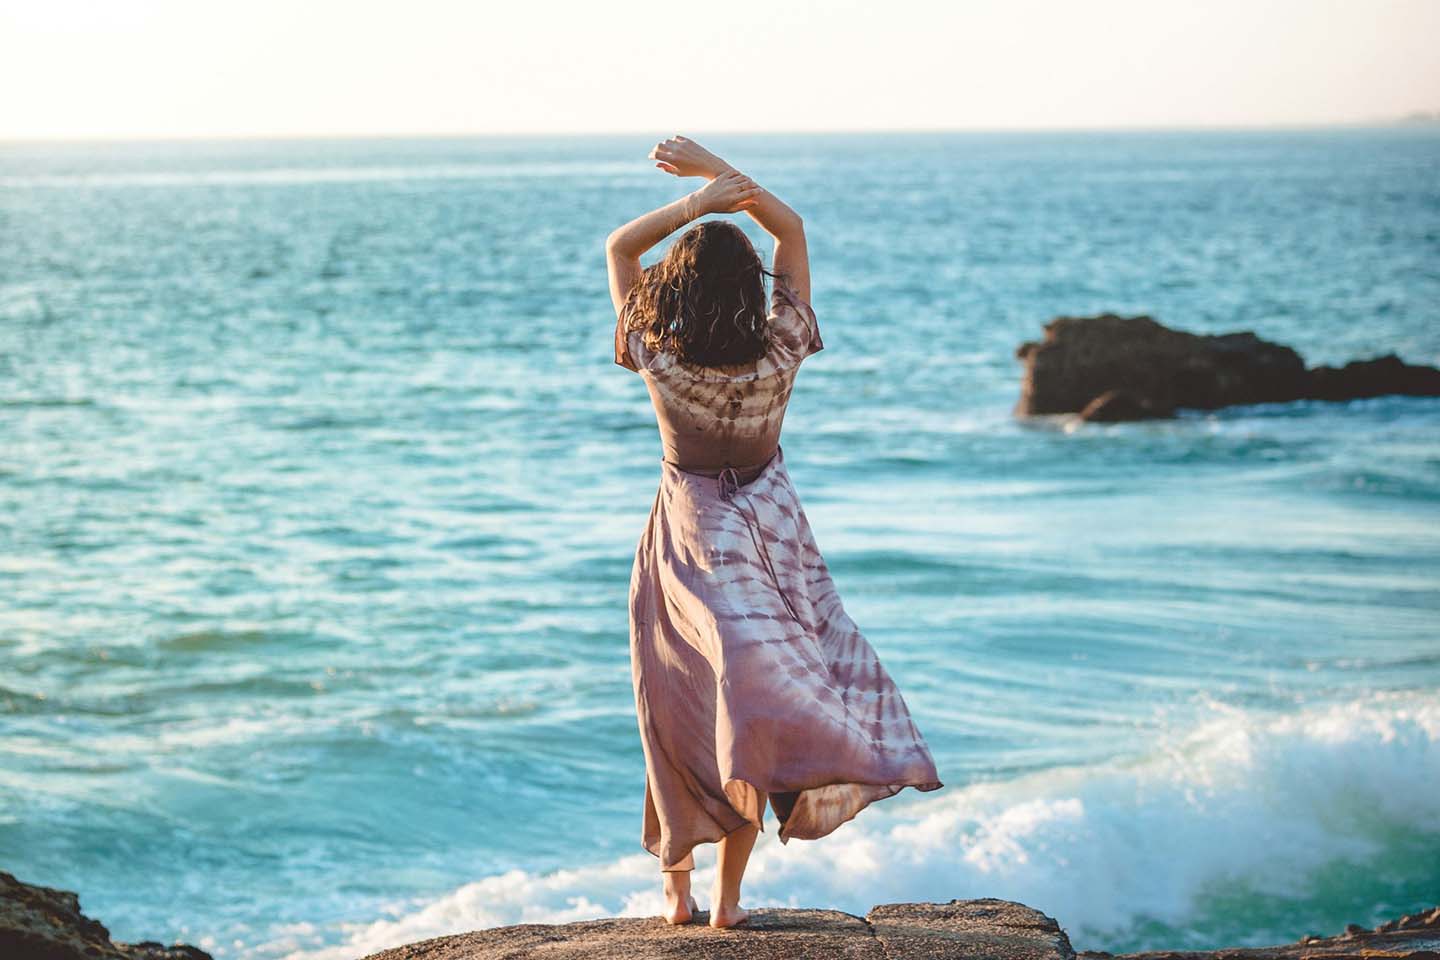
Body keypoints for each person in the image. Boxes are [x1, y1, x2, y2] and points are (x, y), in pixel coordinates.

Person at [605, 135, 944, 930]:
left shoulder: (655, 351)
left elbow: (621, 246)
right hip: (776, 539)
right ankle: (726, 902)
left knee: (679, 706)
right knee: (750, 717)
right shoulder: (782, 344)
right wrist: (724, 176)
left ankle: (678, 891)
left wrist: (697, 202)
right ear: (749, 290)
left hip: (690, 543)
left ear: (675, 292)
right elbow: (791, 234)